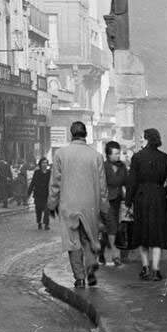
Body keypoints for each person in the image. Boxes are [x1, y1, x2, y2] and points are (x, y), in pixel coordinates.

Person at [47, 121, 110, 288]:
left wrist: (51, 204)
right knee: (89, 238)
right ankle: (90, 267)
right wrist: (104, 208)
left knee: (73, 241)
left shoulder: (61, 154)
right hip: (90, 205)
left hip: (68, 205)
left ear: (71, 134)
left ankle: (79, 277)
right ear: (85, 135)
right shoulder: (96, 156)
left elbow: (55, 183)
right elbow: (103, 187)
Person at [126, 127, 167, 281]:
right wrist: (163, 191)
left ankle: (145, 268)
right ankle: (156, 270)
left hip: (141, 197)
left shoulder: (137, 158)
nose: (140, 140)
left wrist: (128, 202)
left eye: (142, 138)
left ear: (148, 139)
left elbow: (131, 183)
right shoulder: (165, 158)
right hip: (158, 198)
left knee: (142, 233)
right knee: (157, 234)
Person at [100, 140, 128, 267]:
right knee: (112, 226)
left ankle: (101, 251)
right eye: (115, 154)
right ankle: (115, 255)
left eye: (119, 153)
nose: (118, 156)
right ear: (108, 155)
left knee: (112, 226)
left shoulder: (122, 166)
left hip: (118, 200)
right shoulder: (103, 167)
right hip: (106, 200)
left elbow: (126, 181)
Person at [28, 158, 52, 229]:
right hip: (38, 194)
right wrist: (29, 193)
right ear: (40, 164)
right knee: (38, 210)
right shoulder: (37, 172)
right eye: (43, 163)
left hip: (47, 194)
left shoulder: (50, 172)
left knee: (47, 209)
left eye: (45, 163)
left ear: (47, 164)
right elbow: (33, 183)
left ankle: (46, 224)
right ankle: (39, 222)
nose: (44, 164)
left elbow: (53, 183)